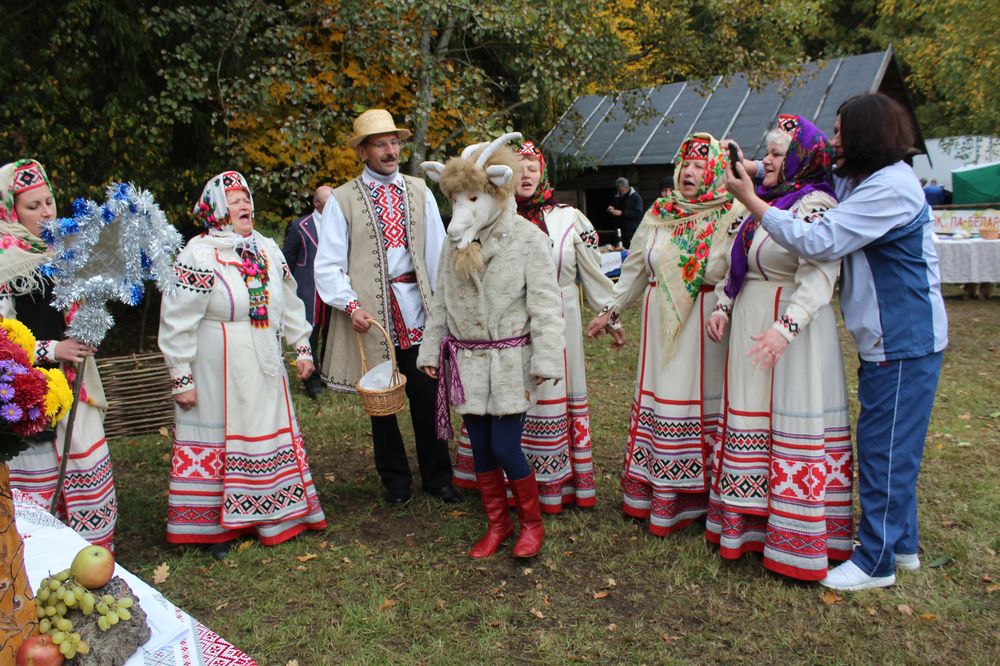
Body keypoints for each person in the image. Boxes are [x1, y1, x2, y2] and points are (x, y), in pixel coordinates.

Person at [726, 93, 948, 590]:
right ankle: (902, 545)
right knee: (890, 444)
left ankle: (875, 563)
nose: (835, 139)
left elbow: (821, 240)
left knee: (885, 451)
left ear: (868, 134)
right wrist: (755, 164)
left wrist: (752, 201)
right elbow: (811, 160)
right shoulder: (864, 178)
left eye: (844, 130)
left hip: (904, 337)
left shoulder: (889, 188)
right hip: (886, 338)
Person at [703, 115, 853, 581]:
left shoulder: (817, 205)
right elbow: (740, 263)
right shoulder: (765, 202)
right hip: (753, 323)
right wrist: (725, 303)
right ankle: (747, 525)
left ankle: (797, 535)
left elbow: (821, 274)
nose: (763, 162)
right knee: (751, 419)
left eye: (774, 155)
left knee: (789, 418)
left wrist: (784, 327)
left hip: (794, 333)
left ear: (802, 158)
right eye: (764, 153)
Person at [158, 171, 327, 559]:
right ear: (216, 209)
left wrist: (301, 347)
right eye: (233, 200)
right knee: (219, 436)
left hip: (262, 356)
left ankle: (275, 515)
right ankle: (215, 528)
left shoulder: (266, 248)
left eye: (246, 198)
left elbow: (289, 298)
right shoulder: (198, 253)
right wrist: (180, 376)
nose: (244, 205)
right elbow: (176, 319)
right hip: (215, 360)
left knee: (266, 429)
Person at [450, 140, 620, 511]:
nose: (527, 173)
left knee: (546, 399)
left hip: (554, 318)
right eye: (520, 165)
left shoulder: (568, 219)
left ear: (544, 172)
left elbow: (592, 272)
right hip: (501, 330)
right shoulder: (484, 220)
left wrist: (610, 312)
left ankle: (550, 484)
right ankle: (501, 487)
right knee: (499, 415)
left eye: (533, 166)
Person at [418, 134, 565, 558]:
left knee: (504, 446)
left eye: (472, 198)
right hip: (468, 362)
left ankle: (531, 526)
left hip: (509, 362)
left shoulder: (527, 238)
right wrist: (431, 351)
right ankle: (497, 524)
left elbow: (544, 304)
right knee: (480, 447)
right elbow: (442, 300)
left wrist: (546, 356)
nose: (462, 210)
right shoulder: (456, 243)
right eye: (457, 201)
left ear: (494, 192)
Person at [587, 133, 742, 537]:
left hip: (706, 325)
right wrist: (610, 310)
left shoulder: (732, 213)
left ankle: (703, 498)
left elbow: (735, 273)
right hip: (661, 325)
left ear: (715, 172)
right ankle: (661, 494)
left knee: (696, 404)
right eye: (685, 164)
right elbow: (636, 269)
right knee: (666, 401)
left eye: (699, 166)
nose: (689, 172)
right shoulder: (660, 211)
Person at [314, 109, 458, 506]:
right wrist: (351, 304)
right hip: (373, 318)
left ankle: (438, 478)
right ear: (363, 151)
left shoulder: (419, 191)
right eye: (381, 144)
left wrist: (442, 305)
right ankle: (395, 482)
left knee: (428, 397)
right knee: (382, 404)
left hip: (418, 311)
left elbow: (437, 252)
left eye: (394, 142)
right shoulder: (342, 200)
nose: (391, 150)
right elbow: (327, 263)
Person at [0, 158, 117, 549]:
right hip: (27, 395)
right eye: (33, 206)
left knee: (85, 469)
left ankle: (92, 560)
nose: (47, 212)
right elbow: (3, 338)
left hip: (75, 388)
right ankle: (44, 564)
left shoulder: (63, 252)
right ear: (10, 210)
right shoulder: (5, 263)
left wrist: (88, 330)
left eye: (49, 202)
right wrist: (54, 349)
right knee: (39, 489)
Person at [283, 184, 332, 399]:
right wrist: (292, 288)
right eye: (327, 202)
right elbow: (288, 260)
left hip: (330, 288)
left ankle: (328, 375)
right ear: (316, 203)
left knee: (330, 333)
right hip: (308, 288)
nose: (332, 206)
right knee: (309, 333)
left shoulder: (339, 225)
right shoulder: (299, 226)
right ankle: (311, 382)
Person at [607, 177, 644, 248]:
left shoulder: (636, 197)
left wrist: (622, 213)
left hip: (632, 232)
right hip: (619, 231)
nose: (618, 191)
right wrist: (611, 209)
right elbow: (616, 209)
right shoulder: (617, 197)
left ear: (625, 187)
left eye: (619, 189)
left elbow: (638, 214)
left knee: (630, 252)